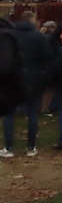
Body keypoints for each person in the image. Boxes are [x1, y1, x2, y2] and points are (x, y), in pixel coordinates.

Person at [1, 11, 53, 158]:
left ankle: (9, 147)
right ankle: (31, 147)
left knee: (9, 114)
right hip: (34, 80)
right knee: (32, 114)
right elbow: (47, 58)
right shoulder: (39, 37)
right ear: (32, 20)